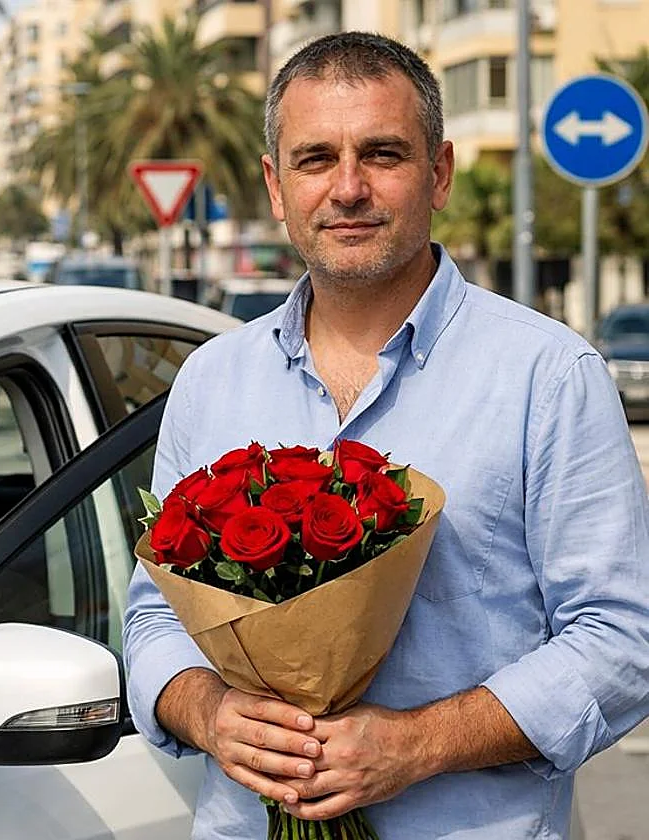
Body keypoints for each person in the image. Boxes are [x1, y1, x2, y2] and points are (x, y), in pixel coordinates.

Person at [123, 31, 649, 839]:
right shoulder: (211, 379)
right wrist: (208, 710)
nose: (348, 188)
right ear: (274, 185)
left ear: (437, 174)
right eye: (314, 159)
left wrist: (417, 744)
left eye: (383, 154)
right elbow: (154, 617)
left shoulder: (549, 377)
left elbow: (622, 639)